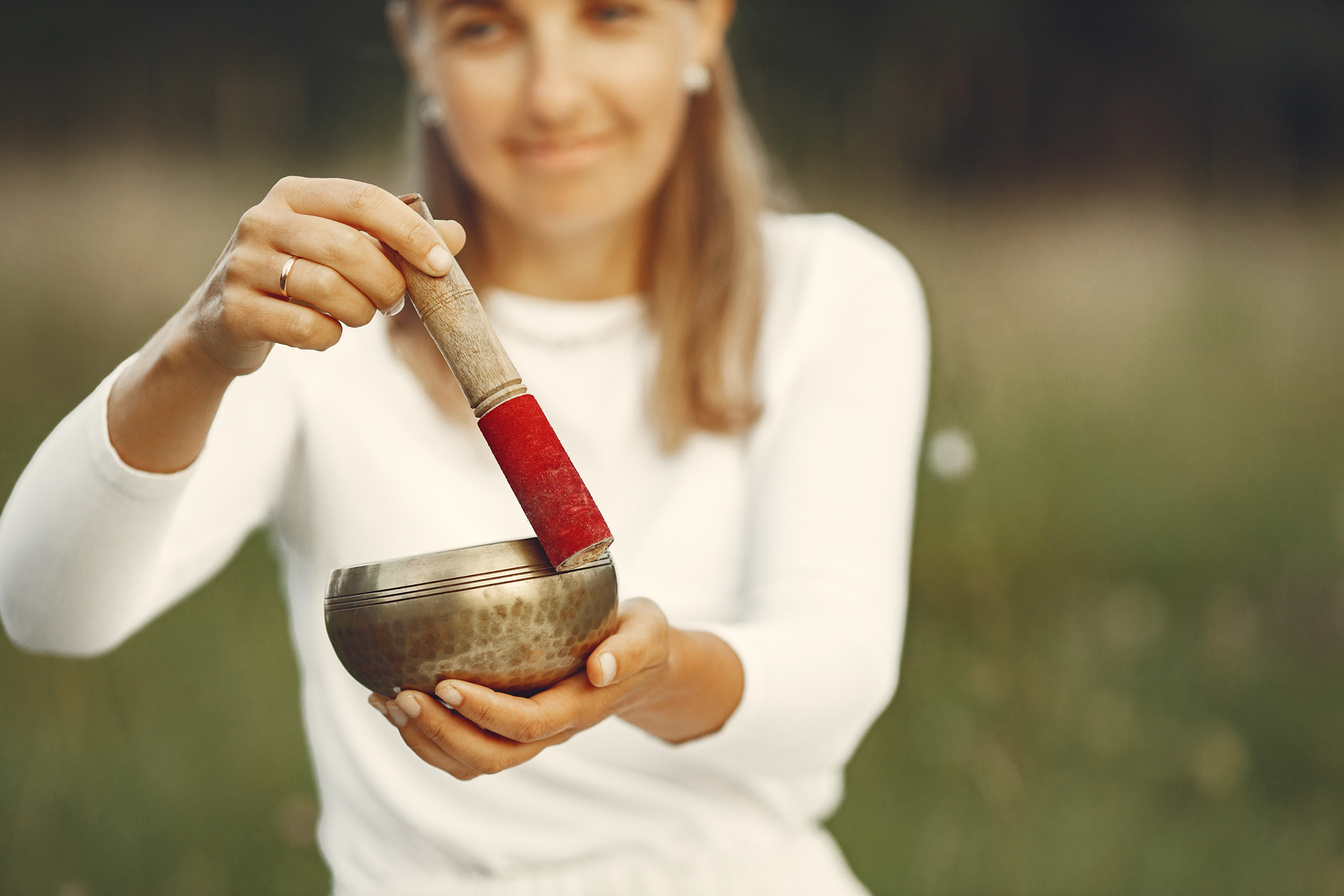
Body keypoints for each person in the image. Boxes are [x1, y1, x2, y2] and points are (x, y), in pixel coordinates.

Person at [0, 0, 928, 892]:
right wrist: (194, 351)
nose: (553, 93)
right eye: (485, 26)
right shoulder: (320, 316)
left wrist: (645, 676)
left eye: (611, 14)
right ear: (414, 42)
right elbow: (46, 608)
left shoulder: (832, 291)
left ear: (708, 18)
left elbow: (836, 676)